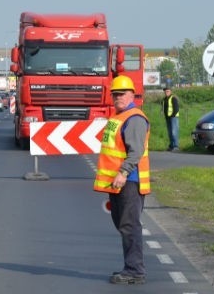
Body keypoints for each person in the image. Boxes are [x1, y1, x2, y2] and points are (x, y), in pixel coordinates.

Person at [94, 75, 150, 285]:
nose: (117, 97)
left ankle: (135, 270)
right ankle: (131, 266)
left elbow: (135, 152)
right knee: (123, 224)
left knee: (129, 225)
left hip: (129, 182)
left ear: (132, 94)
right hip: (118, 183)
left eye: (121, 94)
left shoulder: (134, 118)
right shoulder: (119, 117)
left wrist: (123, 172)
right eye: (114, 94)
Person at [162, 87, 179, 152]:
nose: (166, 92)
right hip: (167, 118)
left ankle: (176, 146)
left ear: (171, 91)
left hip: (173, 117)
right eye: (165, 91)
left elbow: (176, 109)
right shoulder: (164, 99)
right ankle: (171, 146)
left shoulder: (173, 98)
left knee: (174, 132)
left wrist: (172, 115)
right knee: (170, 133)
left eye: (168, 91)